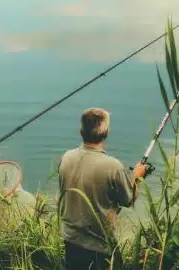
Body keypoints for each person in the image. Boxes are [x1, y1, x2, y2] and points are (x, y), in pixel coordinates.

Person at [58, 108, 149, 270]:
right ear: (106, 132)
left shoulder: (67, 157)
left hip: (70, 240)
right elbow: (128, 199)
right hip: (98, 246)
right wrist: (137, 176)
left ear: (81, 130)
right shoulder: (112, 165)